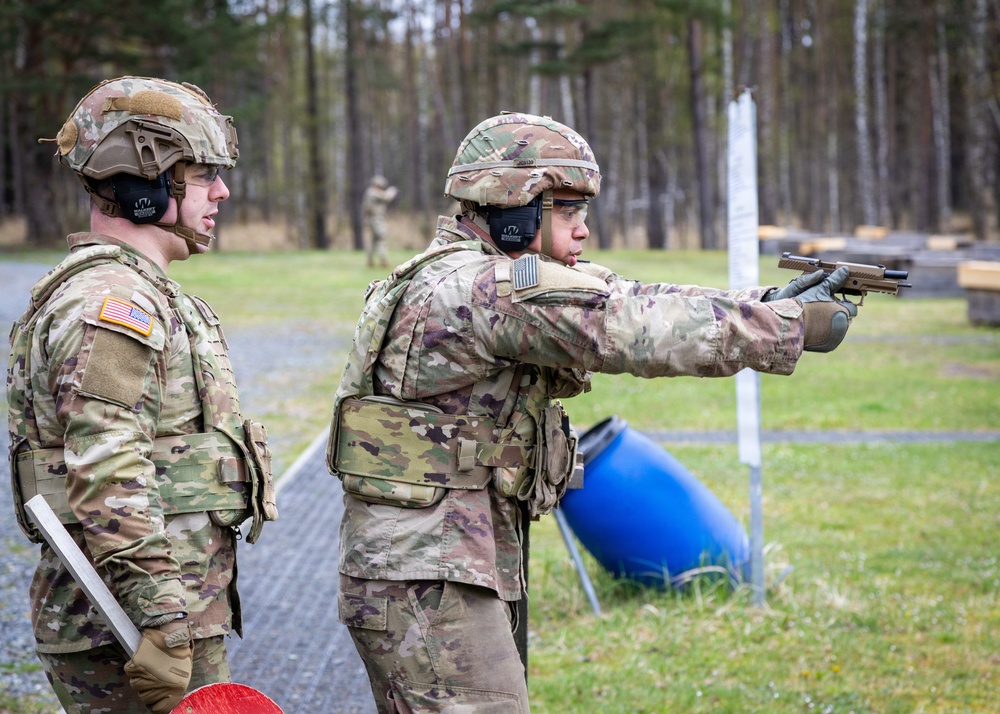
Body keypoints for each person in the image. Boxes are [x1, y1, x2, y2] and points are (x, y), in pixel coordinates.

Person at [326, 112, 857, 713]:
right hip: (427, 574)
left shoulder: (474, 274)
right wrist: (787, 326)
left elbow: (628, 296)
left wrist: (764, 301)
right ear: (514, 208)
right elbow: (627, 327)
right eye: (568, 212)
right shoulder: (483, 290)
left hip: (433, 562)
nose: (582, 232)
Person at [7, 76, 277, 714]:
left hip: (149, 612)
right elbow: (106, 465)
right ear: (148, 184)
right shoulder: (114, 303)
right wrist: (161, 619)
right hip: (126, 625)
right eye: (204, 173)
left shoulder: (137, 291)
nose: (222, 192)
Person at [362, 174, 398, 267]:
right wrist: (392, 191)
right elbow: (386, 197)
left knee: (373, 241)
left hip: (374, 219)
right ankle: (383, 260)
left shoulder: (370, 192)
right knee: (381, 239)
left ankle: (370, 261)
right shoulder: (372, 192)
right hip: (376, 220)